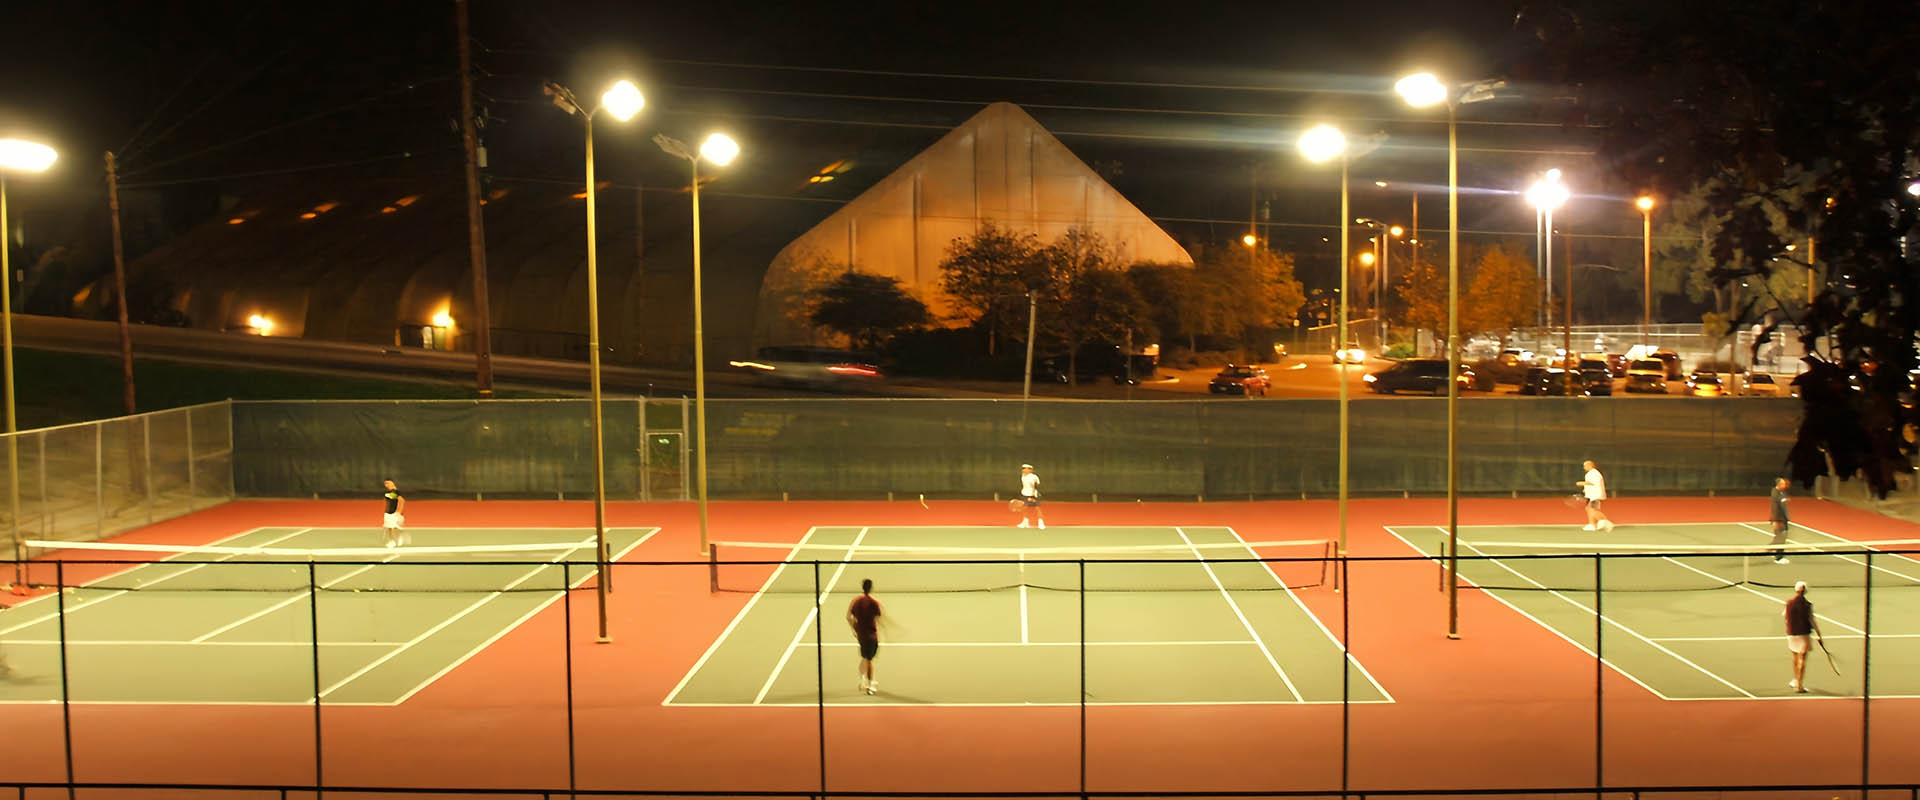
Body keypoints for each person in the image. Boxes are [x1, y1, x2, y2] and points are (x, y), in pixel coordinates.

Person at [846, 578, 883, 695]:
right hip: (871, 636)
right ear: (871, 588)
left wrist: (854, 629)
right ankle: (870, 685)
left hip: (861, 636)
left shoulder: (856, 601)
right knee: (869, 660)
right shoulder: (874, 603)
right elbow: (878, 619)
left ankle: (863, 679)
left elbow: (848, 617)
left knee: (864, 658)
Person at [1784, 581, 1820, 693]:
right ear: (1805, 591)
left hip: (1791, 633)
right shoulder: (1807, 605)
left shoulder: (1788, 603)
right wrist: (1819, 634)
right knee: (1802, 659)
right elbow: (1811, 620)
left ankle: (1796, 680)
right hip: (1803, 634)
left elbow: (1785, 617)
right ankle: (1799, 685)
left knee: (1795, 657)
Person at [1576, 460, 1613, 531]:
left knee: (1592, 510)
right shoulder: (1590, 473)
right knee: (1589, 509)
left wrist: (1582, 483)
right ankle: (1592, 525)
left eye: (1585, 466)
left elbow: (1592, 482)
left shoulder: (1594, 473)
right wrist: (1585, 489)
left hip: (1595, 495)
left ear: (1590, 465)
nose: (1584, 467)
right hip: (1591, 495)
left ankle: (1605, 522)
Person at [1767, 477, 1792, 564]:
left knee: (1782, 537)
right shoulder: (1775, 493)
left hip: (1783, 519)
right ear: (1779, 485)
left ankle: (1774, 552)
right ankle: (1778, 557)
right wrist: (1775, 521)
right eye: (1783, 484)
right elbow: (1775, 508)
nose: (1785, 485)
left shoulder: (1782, 492)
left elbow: (1782, 502)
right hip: (1779, 520)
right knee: (1780, 537)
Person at [1016, 463, 1045, 529]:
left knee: (1037, 509)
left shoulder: (1034, 477)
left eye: (1025, 469)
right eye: (1023, 469)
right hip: (1024, 494)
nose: (1023, 470)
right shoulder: (1023, 476)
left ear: (1030, 470)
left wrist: (1032, 497)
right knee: (1024, 508)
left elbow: (1036, 486)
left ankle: (1041, 523)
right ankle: (1025, 523)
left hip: (1033, 495)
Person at [381, 479, 407, 548]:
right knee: (390, 528)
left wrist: (398, 511)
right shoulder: (387, 493)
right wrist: (386, 514)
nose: (387, 485)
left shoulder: (396, 492)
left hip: (395, 513)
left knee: (393, 528)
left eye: (388, 483)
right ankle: (394, 541)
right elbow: (388, 503)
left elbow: (401, 501)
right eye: (385, 484)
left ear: (392, 483)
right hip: (388, 513)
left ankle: (396, 540)